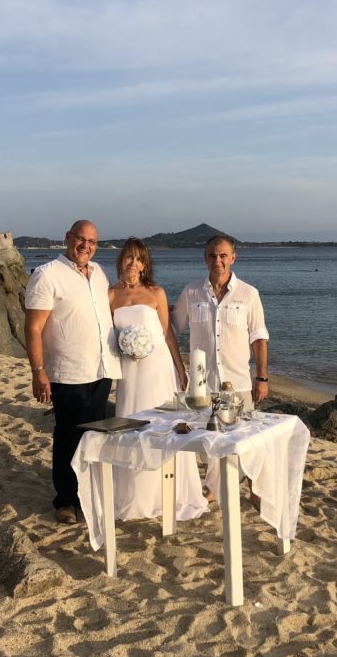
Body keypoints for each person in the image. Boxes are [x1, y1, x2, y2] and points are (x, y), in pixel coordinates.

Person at [24, 220, 122, 524]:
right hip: (69, 372)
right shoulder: (47, 275)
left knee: (94, 435)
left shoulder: (99, 274)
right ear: (68, 238)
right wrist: (38, 371)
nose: (86, 246)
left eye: (92, 241)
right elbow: (33, 327)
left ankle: (86, 494)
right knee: (68, 436)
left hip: (102, 367)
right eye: (81, 239)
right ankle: (65, 500)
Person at [108, 238, 208, 521]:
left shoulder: (156, 293)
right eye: (128, 258)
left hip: (158, 368)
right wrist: (124, 348)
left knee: (163, 427)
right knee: (131, 426)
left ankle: (169, 492)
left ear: (144, 264)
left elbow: (167, 334)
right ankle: (134, 495)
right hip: (129, 371)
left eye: (139, 259)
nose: (133, 263)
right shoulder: (110, 295)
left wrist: (181, 368)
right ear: (121, 261)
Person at [172, 234, 269, 503]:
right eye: (213, 255)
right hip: (204, 384)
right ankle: (214, 488)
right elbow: (171, 327)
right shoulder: (191, 293)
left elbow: (259, 337)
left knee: (248, 439)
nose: (218, 261)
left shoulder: (249, 294)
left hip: (238, 383)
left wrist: (261, 377)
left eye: (223, 255)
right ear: (205, 258)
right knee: (208, 441)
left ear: (233, 257)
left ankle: (255, 490)